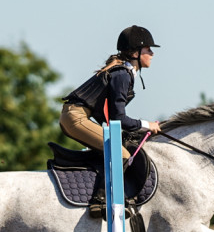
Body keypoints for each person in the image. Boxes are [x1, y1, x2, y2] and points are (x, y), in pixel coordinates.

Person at [60, 25, 162, 160]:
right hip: (76, 118)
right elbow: (118, 118)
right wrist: (147, 125)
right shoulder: (122, 75)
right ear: (135, 53)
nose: (152, 53)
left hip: (74, 116)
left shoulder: (123, 73)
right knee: (123, 156)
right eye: (148, 49)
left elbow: (105, 115)